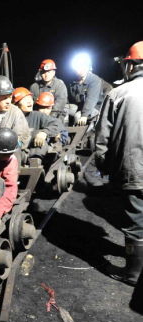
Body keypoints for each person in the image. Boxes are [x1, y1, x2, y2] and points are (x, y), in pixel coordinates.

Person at [95, 41, 143, 286]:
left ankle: (133, 273)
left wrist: (104, 167)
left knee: (136, 223)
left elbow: (103, 138)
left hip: (133, 170)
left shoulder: (118, 93)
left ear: (131, 65)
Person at [12, 87, 66, 160]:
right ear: (16, 104)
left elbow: (57, 124)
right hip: (16, 153)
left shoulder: (37, 115)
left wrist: (44, 133)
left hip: (34, 154)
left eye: (30, 99)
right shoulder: (10, 118)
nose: (29, 102)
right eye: (25, 100)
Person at [67, 53, 112, 127]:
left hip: (97, 106)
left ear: (88, 67)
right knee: (63, 110)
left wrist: (84, 115)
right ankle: (62, 134)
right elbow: (69, 98)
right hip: (81, 106)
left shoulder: (94, 80)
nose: (81, 69)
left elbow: (91, 98)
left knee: (78, 117)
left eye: (83, 66)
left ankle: (78, 137)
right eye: (78, 67)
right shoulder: (72, 82)